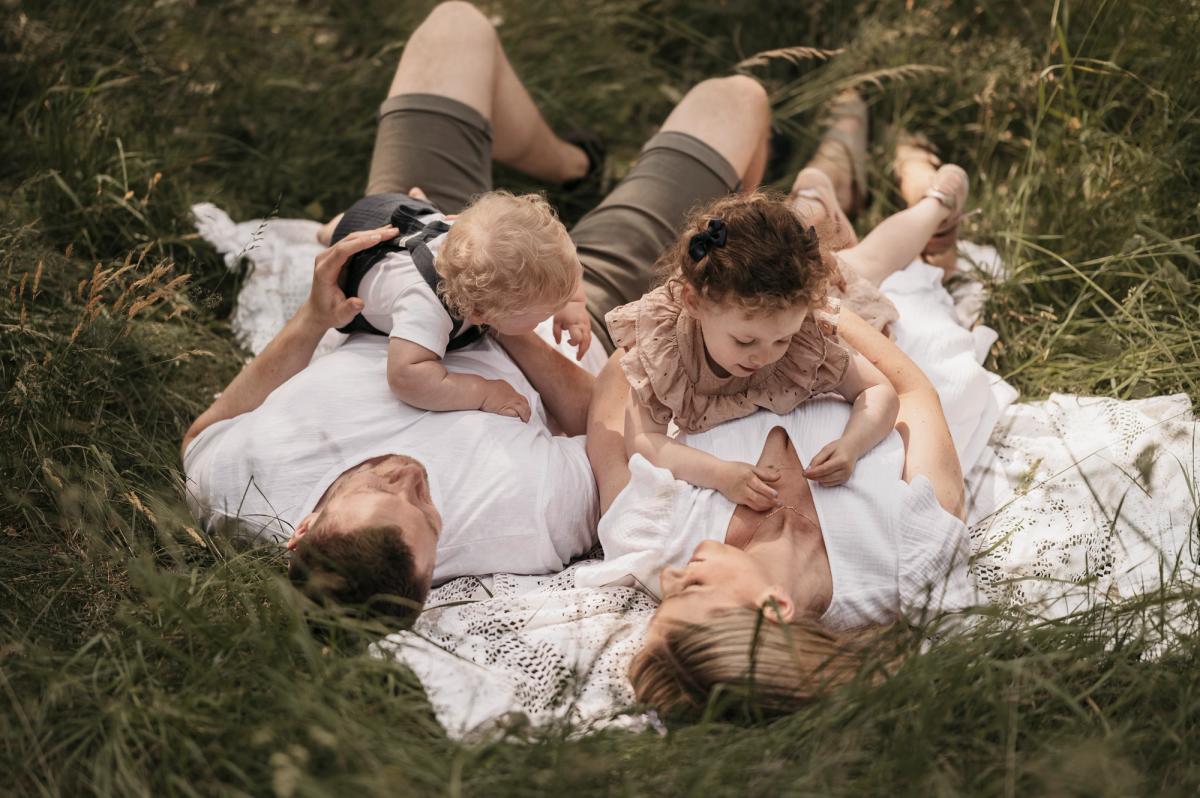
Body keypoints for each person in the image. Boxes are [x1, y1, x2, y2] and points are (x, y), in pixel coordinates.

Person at [182, 1, 772, 625]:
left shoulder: (239, 486)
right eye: (427, 509)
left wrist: (312, 318)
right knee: (736, 98)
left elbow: (203, 434)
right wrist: (500, 320)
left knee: (455, 26)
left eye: (379, 486)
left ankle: (573, 164)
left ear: (301, 528)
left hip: (418, 251)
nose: (409, 476)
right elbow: (604, 424)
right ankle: (728, 209)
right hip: (564, 322)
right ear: (433, 567)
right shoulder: (513, 520)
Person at [579, 109, 993, 714]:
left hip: (787, 315)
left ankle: (841, 146)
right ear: (775, 610)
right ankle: (918, 176)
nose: (668, 581)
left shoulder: (654, 539)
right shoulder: (906, 561)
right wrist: (823, 317)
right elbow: (914, 396)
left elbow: (610, 420)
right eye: (689, 591)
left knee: (820, 232)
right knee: (881, 262)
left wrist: (679, 332)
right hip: (865, 332)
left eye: (666, 596)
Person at [326, 189, 590, 424]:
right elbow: (405, 378)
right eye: (543, 314)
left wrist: (573, 303)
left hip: (416, 217)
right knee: (336, 232)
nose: (554, 310)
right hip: (360, 252)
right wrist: (483, 392)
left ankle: (419, 200)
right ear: (478, 315)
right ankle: (328, 229)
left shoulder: (474, 243)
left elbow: (559, 266)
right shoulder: (426, 306)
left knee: (444, 225)